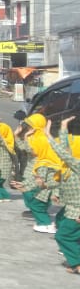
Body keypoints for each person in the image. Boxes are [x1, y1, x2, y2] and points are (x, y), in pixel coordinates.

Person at [46, 117, 80, 274]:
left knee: (63, 236)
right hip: (72, 209)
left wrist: (48, 135)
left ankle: (77, 263)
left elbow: (61, 151)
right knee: (66, 232)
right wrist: (64, 127)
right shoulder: (71, 165)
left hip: (77, 211)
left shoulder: (77, 165)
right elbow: (65, 149)